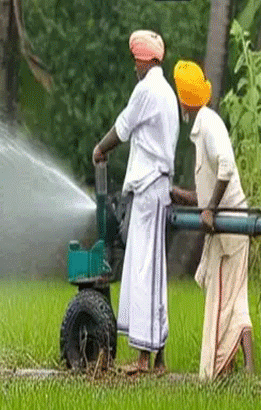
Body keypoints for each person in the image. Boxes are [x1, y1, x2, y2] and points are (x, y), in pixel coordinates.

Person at [92, 30, 179, 374]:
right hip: (151, 190)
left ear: (144, 60)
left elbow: (123, 127)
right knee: (149, 271)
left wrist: (100, 149)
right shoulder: (166, 91)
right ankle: (156, 359)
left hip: (151, 190)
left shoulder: (148, 89)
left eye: (135, 61)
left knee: (146, 272)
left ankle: (145, 360)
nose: (134, 67)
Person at [169, 60, 254, 380]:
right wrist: (183, 196)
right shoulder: (204, 125)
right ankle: (248, 370)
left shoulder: (207, 125)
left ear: (183, 101)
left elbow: (227, 167)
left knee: (223, 301)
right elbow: (209, 190)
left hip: (229, 227)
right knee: (236, 299)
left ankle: (216, 371)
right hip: (232, 227)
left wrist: (211, 210)